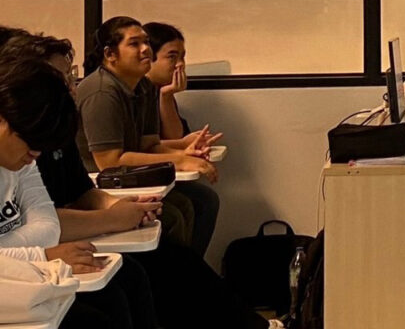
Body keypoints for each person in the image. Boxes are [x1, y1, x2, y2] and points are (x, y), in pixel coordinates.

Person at [2, 31, 283, 329]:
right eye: (135, 44)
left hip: (56, 240)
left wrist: (121, 207)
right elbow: (108, 162)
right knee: (136, 273)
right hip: (43, 258)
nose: (72, 87)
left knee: (167, 246)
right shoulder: (96, 97)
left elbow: (74, 197)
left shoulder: (135, 93)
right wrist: (112, 219)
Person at [0, 52, 149, 329]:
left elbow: (49, 226)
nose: (35, 154)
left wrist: (21, 252)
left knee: (125, 281)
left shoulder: (21, 158)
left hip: (22, 280)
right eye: (30, 141)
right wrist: (41, 255)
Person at [76, 16, 220, 257]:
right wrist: (180, 160)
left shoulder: (142, 87)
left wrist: (183, 154)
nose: (145, 49)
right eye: (134, 44)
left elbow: (149, 145)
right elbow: (109, 162)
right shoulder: (102, 91)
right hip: (97, 184)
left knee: (201, 200)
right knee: (172, 215)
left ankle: (190, 274)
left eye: (146, 42)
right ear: (110, 54)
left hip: (127, 177)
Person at [141, 22, 193, 140]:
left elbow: (175, 137)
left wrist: (167, 95)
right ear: (148, 57)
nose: (180, 64)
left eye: (182, 57)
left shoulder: (159, 89)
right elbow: (145, 145)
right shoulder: (136, 91)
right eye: (172, 57)